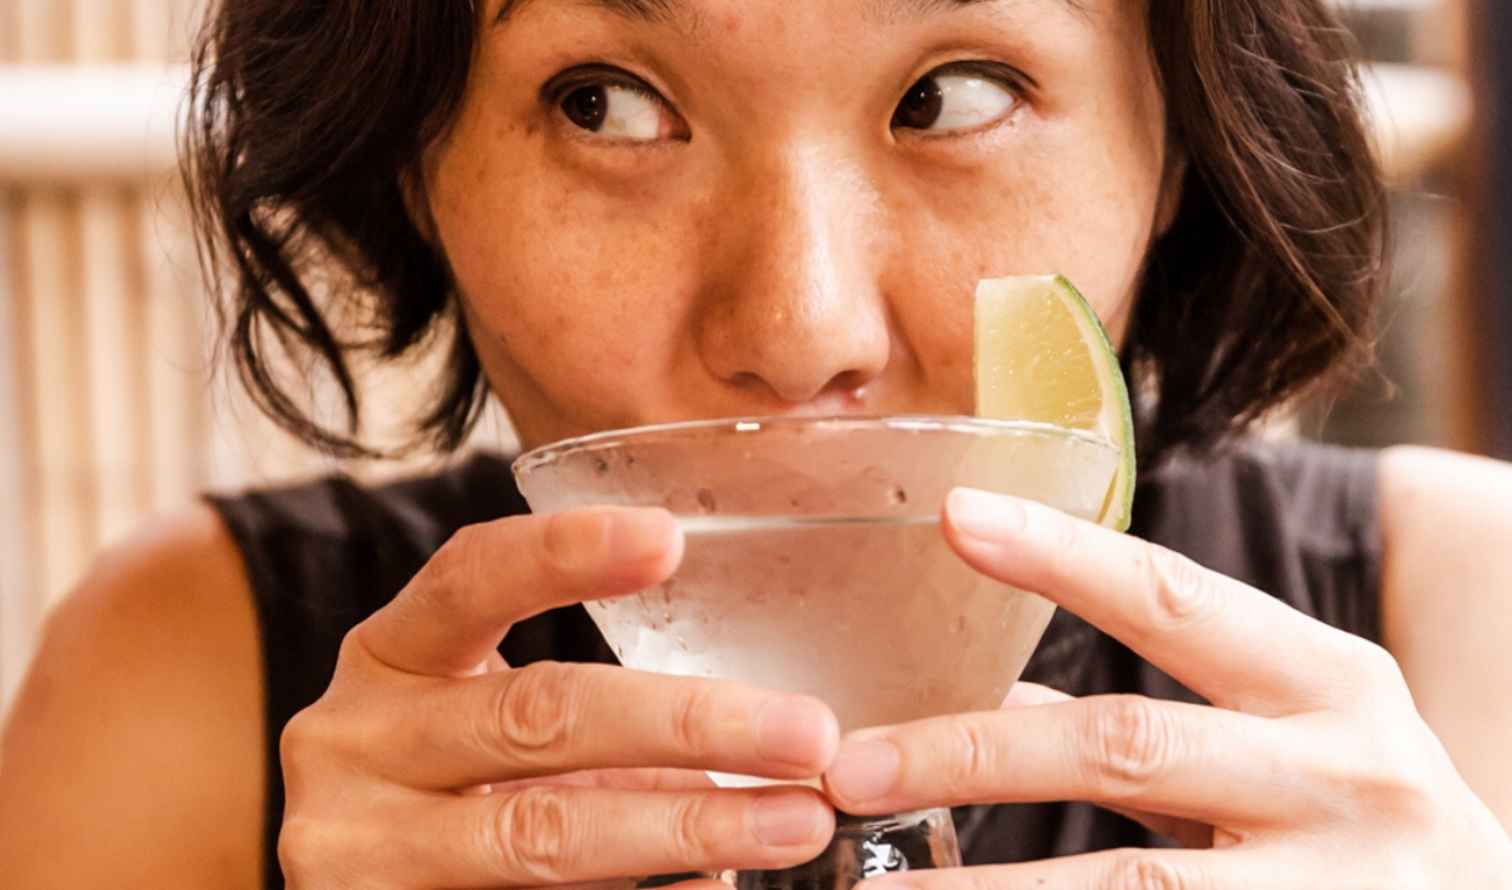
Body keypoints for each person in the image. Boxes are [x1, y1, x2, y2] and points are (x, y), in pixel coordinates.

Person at [3, 0, 1510, 887]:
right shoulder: (184, 683)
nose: (800, 325)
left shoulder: (1464, 619)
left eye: (955, 94)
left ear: (1175, 141)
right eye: (606, 105)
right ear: (413, 165)